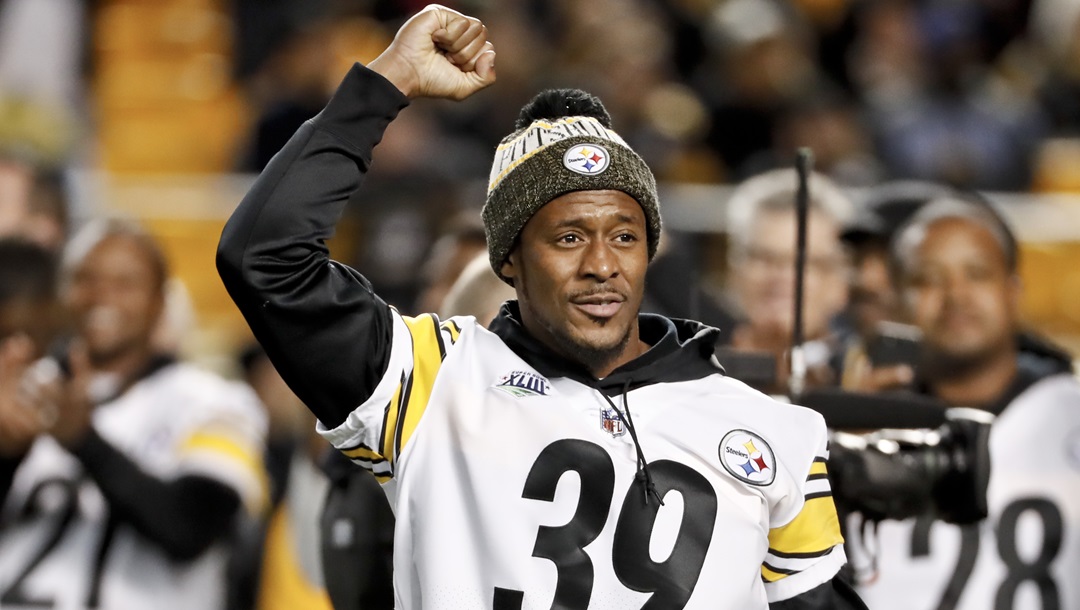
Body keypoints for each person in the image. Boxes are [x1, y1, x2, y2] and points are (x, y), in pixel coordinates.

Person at [217, 5, 865, 608]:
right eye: (568, 238)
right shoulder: (428, 382)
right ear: (509, 261)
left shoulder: (775, 428)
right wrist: (388, 83)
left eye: (624, 236)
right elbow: (263, 256)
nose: (602, 264)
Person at [0, 218, 267, 609]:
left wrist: (84, 441)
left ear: (160, 301)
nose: (101, 296)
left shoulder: (218, 402)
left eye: (125, 284)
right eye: (84, 279)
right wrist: (6, 455)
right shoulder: (21, 388)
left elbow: (190, 528)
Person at [848, 195, 1080, 609]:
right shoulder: (861, 427)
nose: (955, 295)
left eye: (976, 273)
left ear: (1014, 290)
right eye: (927, 279)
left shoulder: (1069, 409)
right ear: (899, 301)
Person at [721, 167, 854, 393]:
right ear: (735, 271)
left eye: (802, 263)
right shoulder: (690, 371)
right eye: (765, 258)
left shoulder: (863, 378)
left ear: (839, 281)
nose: (782, 277)